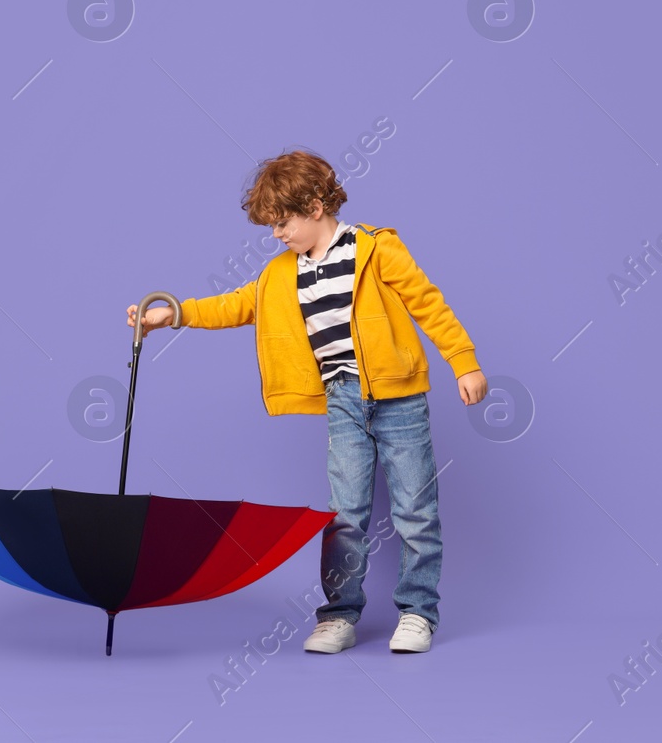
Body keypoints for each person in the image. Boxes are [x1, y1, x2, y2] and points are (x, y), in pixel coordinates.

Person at [126, 149, 487, 654]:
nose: (276, 234)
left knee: (415, 510)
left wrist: (463, 360)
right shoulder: (281, 274)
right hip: (342, 401)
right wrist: (176, 314)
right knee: (344, 516)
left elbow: (427, 301)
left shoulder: (374, 249)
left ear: (316, 207)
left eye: (282, 222)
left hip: (399, 397)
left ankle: (418, 612)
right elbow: (237, 304)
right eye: (270, 226)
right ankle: (339, 615)